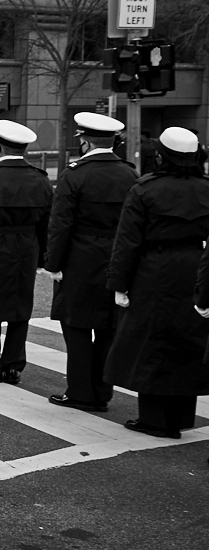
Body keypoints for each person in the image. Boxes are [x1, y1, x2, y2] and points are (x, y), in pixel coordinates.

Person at [109, 127, 209, 437]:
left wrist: (119, 284)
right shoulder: (206, 188)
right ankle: (180, 417)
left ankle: (155, 419)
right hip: (197, 264)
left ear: (160, 155)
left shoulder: (145, 189)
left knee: (152, 343)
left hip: (155, 268)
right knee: (187, 342)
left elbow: (127, 242)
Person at [45, 113, 136, 412]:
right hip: (117, 257)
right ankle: (101, 391)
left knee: (77, 328)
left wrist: (53, 263)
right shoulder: (130, 175)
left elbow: (61, 225)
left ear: (83, 140)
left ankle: (81, 391)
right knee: (109, 327)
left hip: (80, 259)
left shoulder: (74, 174)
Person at [0, 120, 52, 384]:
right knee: (20, 307)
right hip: (27, 247)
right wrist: (41, 258)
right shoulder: (40, 180)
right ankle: (13, 365)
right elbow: (47, 223)